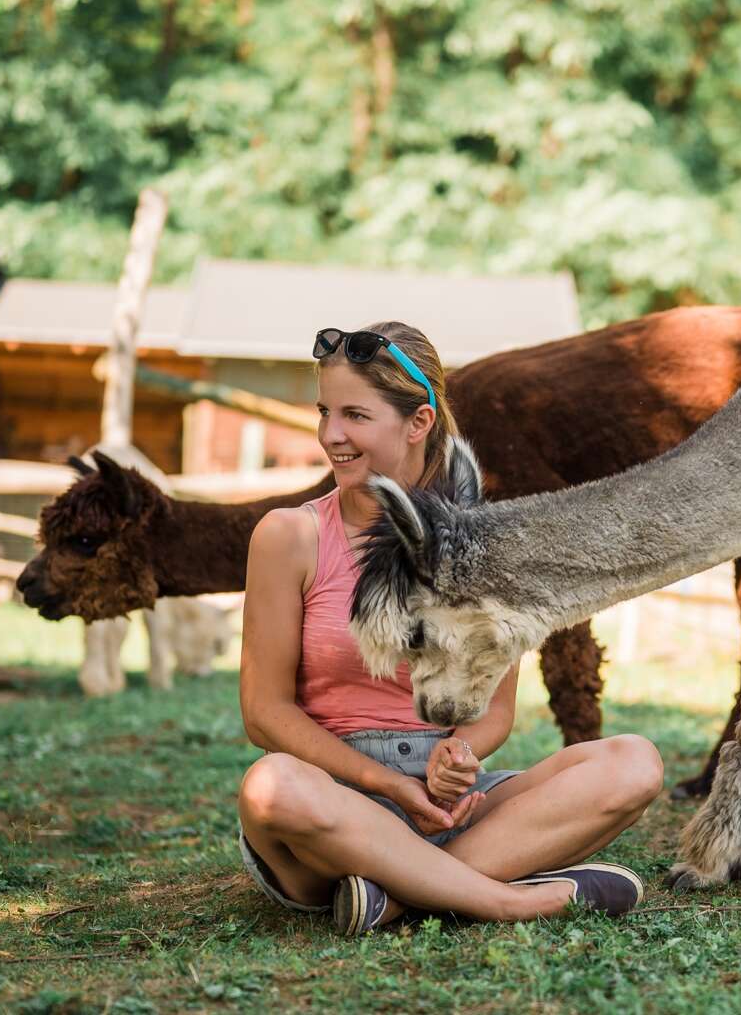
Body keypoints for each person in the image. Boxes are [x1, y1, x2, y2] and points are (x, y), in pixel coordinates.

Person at [236, 321, 665, 934]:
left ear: (418, 423)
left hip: (447, 805)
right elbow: (263, 712)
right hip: (329, 804)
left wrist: (458, 757)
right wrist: (383, 782)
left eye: (356, 415)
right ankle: (506, 900)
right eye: (325, 412)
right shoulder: (289, 536)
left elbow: (493, 710)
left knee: (634, 763)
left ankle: (395, 898)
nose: (332, 435)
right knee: (271, 786)